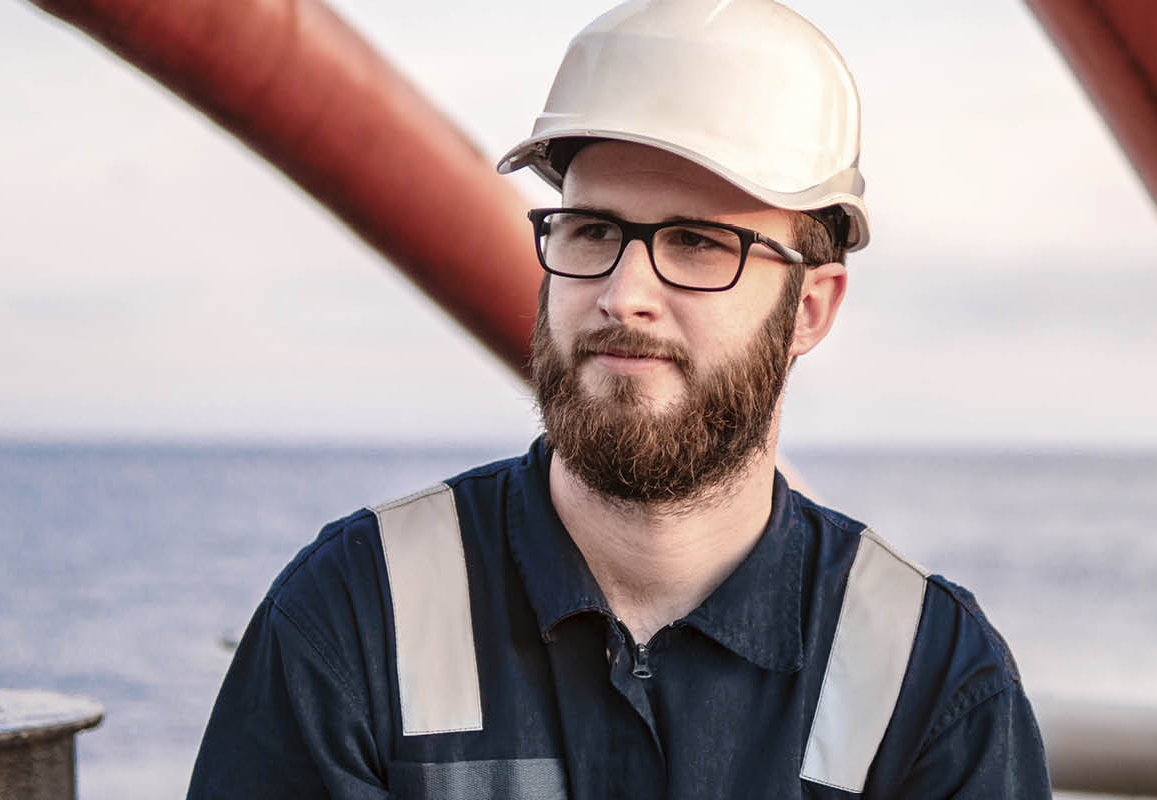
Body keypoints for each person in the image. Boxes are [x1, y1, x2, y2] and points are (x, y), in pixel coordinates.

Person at [188, 1, 1050, 797]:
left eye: (699, 242)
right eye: (594, 229)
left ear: (811, 307)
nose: (623, 292)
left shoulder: (930, 680)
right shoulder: (355, 618)